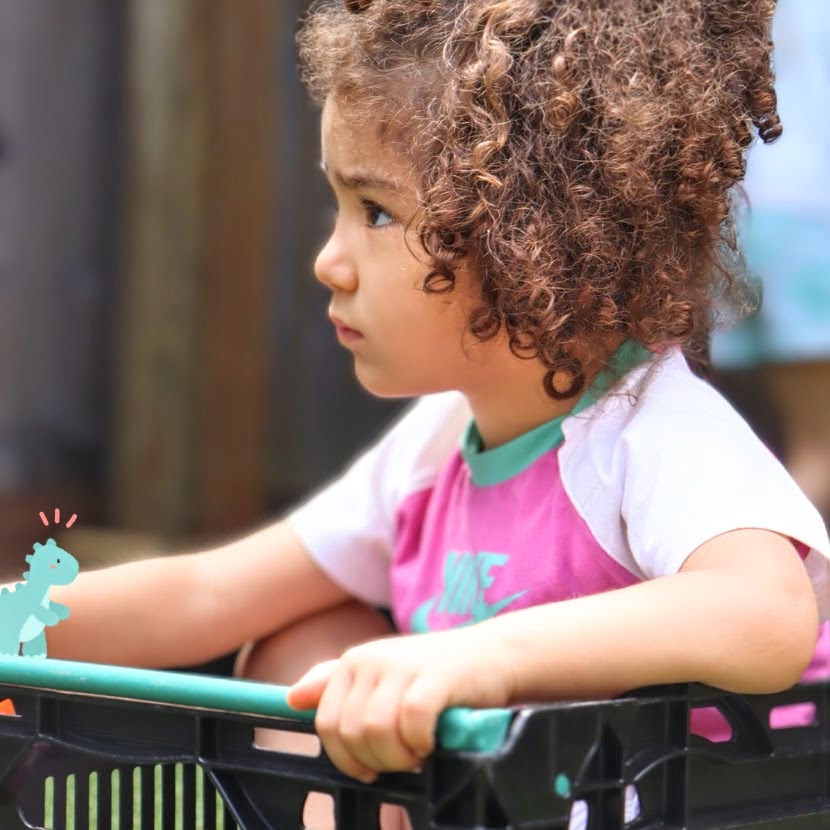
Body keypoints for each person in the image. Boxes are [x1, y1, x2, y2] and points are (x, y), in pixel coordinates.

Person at [35, 1, 830, 827]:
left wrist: (475, 659)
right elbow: (208, 593)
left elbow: (766, 615)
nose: (328, 261)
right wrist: (19, 625)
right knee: (301, 640)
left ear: (536, 235)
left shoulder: (650, 431)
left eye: (376, 212)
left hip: (712, 802)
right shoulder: (433, 448)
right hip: (515, 799)